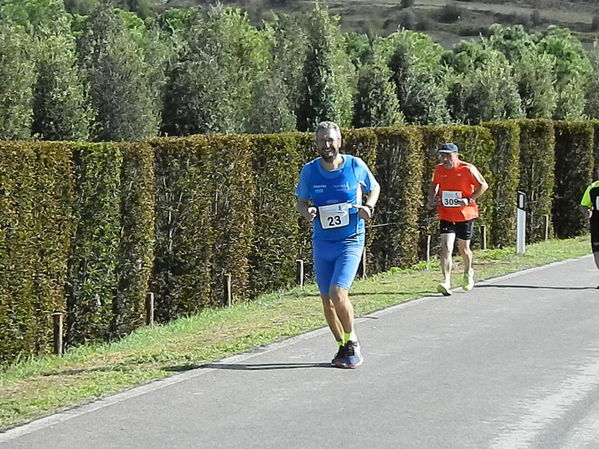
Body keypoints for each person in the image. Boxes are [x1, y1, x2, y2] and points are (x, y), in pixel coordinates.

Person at [295, 121, 380, 368]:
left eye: (331, 140)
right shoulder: (310, 171)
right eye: (322, 140)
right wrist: (306, 210)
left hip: (350, 240)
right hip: (323, 242)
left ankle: (352, 341)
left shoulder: (354, 165)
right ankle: (342, 346)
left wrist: (368, 206)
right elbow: (300, 201)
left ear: (340, 141)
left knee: (337, 292)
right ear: (316, 144)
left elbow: (373, 187)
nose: (327, 145)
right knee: (326, 299)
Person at [426, 142, 488, 296]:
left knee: (463, 249)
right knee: (446, 247)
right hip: (446, 213)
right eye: (442, 155)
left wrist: (469, 199)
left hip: (465, 214)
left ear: (456, 155)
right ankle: (446, 281)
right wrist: (432, 199)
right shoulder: (439, 169)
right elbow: (435, 185)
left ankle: (468, 272)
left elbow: (483, 185)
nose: (445, 159)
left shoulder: (467, 169)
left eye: (448, 155)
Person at [580, 168, 599, 286]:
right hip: (597, 224)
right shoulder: (593, 188)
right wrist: (587, 211)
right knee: (597, 252)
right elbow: (583, 205)